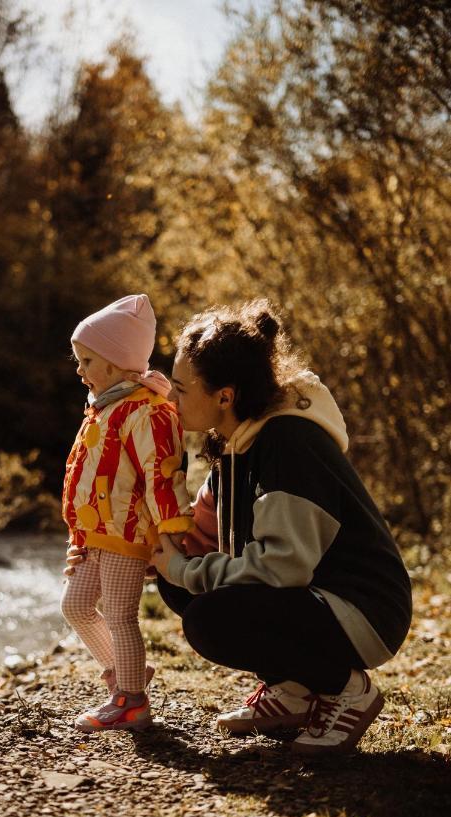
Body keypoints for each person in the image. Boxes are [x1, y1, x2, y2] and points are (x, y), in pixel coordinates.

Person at [150, 299, 412, 755]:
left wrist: (185, 570)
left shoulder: (288, 444)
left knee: (207, 615)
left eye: (180, 387)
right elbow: (197, 533)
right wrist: (138, 550)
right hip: (312, 599)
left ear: (225, 396)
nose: (171, 398)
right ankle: (292, 690)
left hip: (363, 610)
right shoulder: (235, 444)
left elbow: (281, 569)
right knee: (179, 584)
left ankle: (347, 689)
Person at [61, 293, 193, 733]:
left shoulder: (147, 410)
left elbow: (162, 474)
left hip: (128, 532)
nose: (79, 370)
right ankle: (125, 673)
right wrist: (77, 535)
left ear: (116, 364)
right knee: (75, 606)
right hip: (96, 534)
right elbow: (85, 478)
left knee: (119, 615)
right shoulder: (104, 407)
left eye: (86, 361)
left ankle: (131, 700)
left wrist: (171, 534)